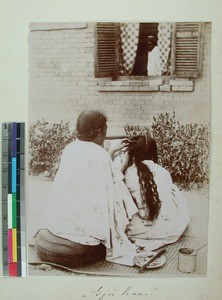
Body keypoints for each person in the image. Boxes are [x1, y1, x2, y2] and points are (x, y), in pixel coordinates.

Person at [33, 110, 138, 268]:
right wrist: (123, 163)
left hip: (42, 243)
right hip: (72, 253)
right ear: (100, 131)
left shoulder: (71, 148)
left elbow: (90, 171)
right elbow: (115, 191)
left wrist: (110, 153)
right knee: (109, 241)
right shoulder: (100, 155)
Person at [117, 135, 190, 251]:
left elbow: (111, 186)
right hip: (168, 230)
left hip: (136, 232)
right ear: (153, 152)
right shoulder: (163, 171)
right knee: (174, 191)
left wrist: (123, 163)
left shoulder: (127, 174)